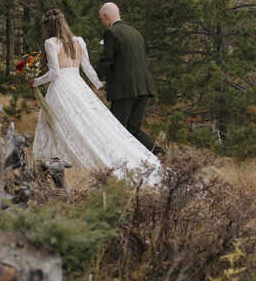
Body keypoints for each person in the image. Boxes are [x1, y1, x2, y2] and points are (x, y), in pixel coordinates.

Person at [28, 9, 161, 181]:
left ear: (48, 26)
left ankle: (54, 164)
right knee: (87, 123)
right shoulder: (79, 41)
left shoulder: (51, 43)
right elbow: (88, 68)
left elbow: (54, 72)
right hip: (78, 85)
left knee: (58, 124)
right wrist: (97, 84)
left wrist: (35, 82)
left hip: (61, 89)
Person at [95, 2, 161, 155]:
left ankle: (113, 161)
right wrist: (107, 81)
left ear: (106, 16)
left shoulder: (112, 33)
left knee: (114, 129)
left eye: (101, 19)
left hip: (125, 90)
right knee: (133, 129)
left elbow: (107, 60)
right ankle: (160, 155)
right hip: (144, 88)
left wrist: (94, 81)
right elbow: (127, 62)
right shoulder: (135, 32)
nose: (102, 23)